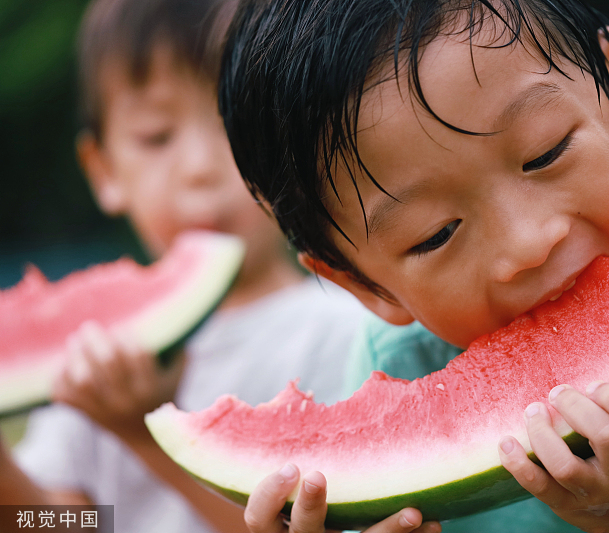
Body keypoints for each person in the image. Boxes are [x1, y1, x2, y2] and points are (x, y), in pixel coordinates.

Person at [216, 0, 609, 532]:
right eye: (436, 234)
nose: (528, 245)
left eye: (545, 152)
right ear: (365, 286)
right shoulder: (399, 365)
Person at [0, 0, 366, 532]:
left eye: (235, 127)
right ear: (103, 170)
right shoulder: (93, 352)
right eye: (157, 137)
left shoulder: (344, 332)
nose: (200, 168)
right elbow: (55, 523)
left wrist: (148, 435)